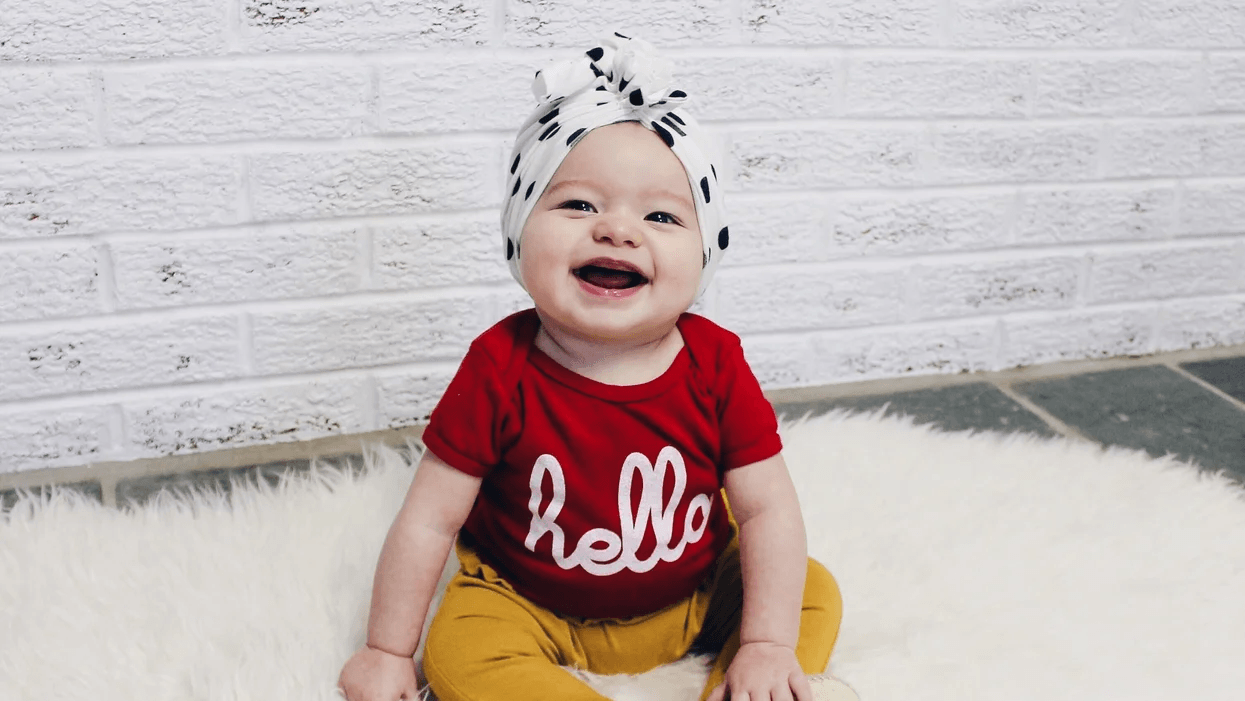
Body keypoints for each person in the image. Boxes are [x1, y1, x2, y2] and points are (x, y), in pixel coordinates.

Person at [338, 33, 852, 701]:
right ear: (521, 232)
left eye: (662, 214)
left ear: (704, 256)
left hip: (693, 595)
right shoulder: (499, 365)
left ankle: (740, 682)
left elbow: (765, 511)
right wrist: (387, 648)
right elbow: (429, 518)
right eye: (579, 204)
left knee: (808, 591)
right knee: (458, 651)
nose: (617, 229)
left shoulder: (714, 361)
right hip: (528, 604)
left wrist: (764, 641)